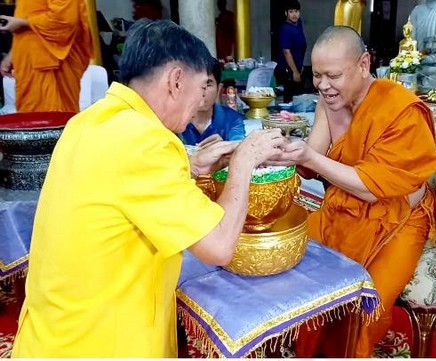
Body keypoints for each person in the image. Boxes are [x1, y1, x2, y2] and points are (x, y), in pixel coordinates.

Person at [10, 20, 286, 357]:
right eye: (201, 90)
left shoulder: (89, 120)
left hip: (52, 335)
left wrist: (192, 163)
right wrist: (244, 163)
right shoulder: (147, 141)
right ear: (176, 81)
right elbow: (218, 247)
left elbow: (122, 180)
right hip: (101, 344)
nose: (201, 103)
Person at [271, 26, 436, 357]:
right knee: (294, 273)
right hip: (342, 208)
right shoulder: (328, 102)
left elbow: (372, 190)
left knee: (366, 305)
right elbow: (311, 160)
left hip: (399, 219)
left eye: (332, 75)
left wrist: (309, 157)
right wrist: (287, 151)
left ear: (363, 65)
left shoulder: (400, 108)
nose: (322, 85)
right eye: (317, 75)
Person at [0, 0, 92, 112]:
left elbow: (64, 20)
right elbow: (27, 17)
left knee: (53, 121)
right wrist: (12, 54)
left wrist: (23, 23)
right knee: (30, 120)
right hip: (29, 62)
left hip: (52, 63)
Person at [180, 57, 245, 144]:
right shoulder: (174, 120)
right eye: (195, 84)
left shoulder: (233, 119)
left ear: (219, 89)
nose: (201, 91)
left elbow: (238, 149)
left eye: (208, 84)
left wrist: (223, 147)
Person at [276, 0, 307, 103]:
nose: (294, 14)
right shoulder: (285, 29)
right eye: (291, 12)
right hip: (288, 71)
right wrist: (295, 72)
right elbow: (286, 51)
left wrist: (300, 67)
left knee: (299, 98)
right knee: (290, 100)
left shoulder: (299, 24)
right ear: (286, 13)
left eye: (296, 11)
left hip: (298, 67)